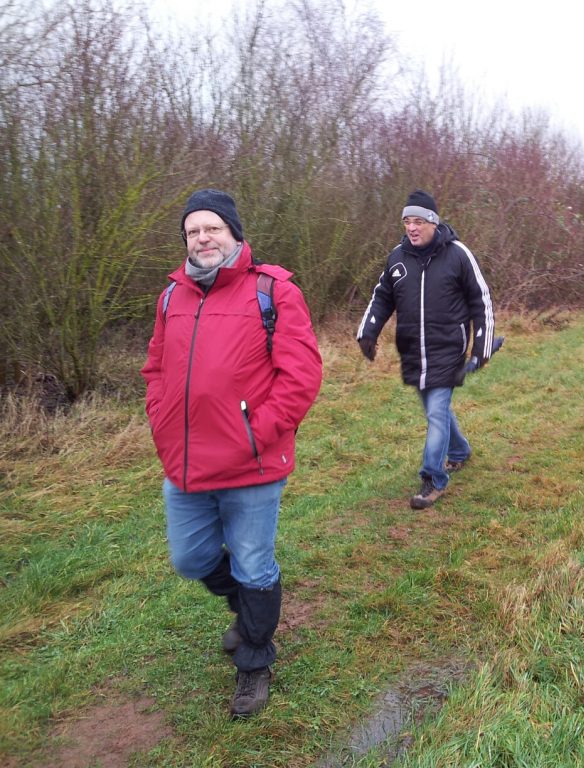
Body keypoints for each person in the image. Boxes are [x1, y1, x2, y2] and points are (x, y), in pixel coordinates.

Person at [141, 189, 323, 718]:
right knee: (190, 557)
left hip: (252, 464)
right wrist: (161, 423)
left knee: (253, 563)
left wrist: (254, 434)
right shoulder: (171, 298)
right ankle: (249, 614)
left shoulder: (273, 290)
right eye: (193, 231)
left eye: (212, 228)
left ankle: (254, 660)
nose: (202, 238)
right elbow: (155, 370)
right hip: (186, 462)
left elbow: (301, 375)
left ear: (234, 233)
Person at [357, 190, 496, 510]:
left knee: (435, 413)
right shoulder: (397, 258)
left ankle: (433, 477)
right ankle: (459, 451)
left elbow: (481, 300)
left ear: (433, 222)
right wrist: (368, 331)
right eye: (407, 221)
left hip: (448, 350)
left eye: (418, 221)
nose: (412, 228)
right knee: (437, 411)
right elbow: (382, 297)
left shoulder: (458, 255)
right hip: (412, 353)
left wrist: (483, 344)